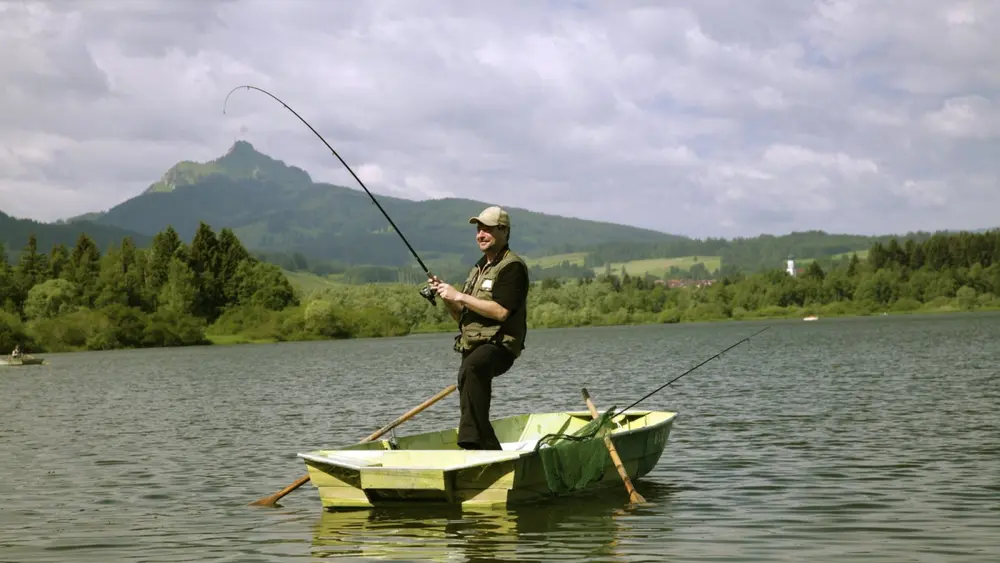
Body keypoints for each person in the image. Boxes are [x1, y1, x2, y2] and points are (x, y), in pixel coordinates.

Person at [428, 206, 529, 450]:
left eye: (487, 230)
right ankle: (488, 448)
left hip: (501, 344)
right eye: (478, 229)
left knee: (472, 369)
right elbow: (462, 316)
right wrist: (447, 296)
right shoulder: (478, 268)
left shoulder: (512, 267)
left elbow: (501, 311)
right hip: (473, 343)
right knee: (468, 377)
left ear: (504, 231)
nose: (480, 235)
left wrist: (460, 295)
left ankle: (472, 443)